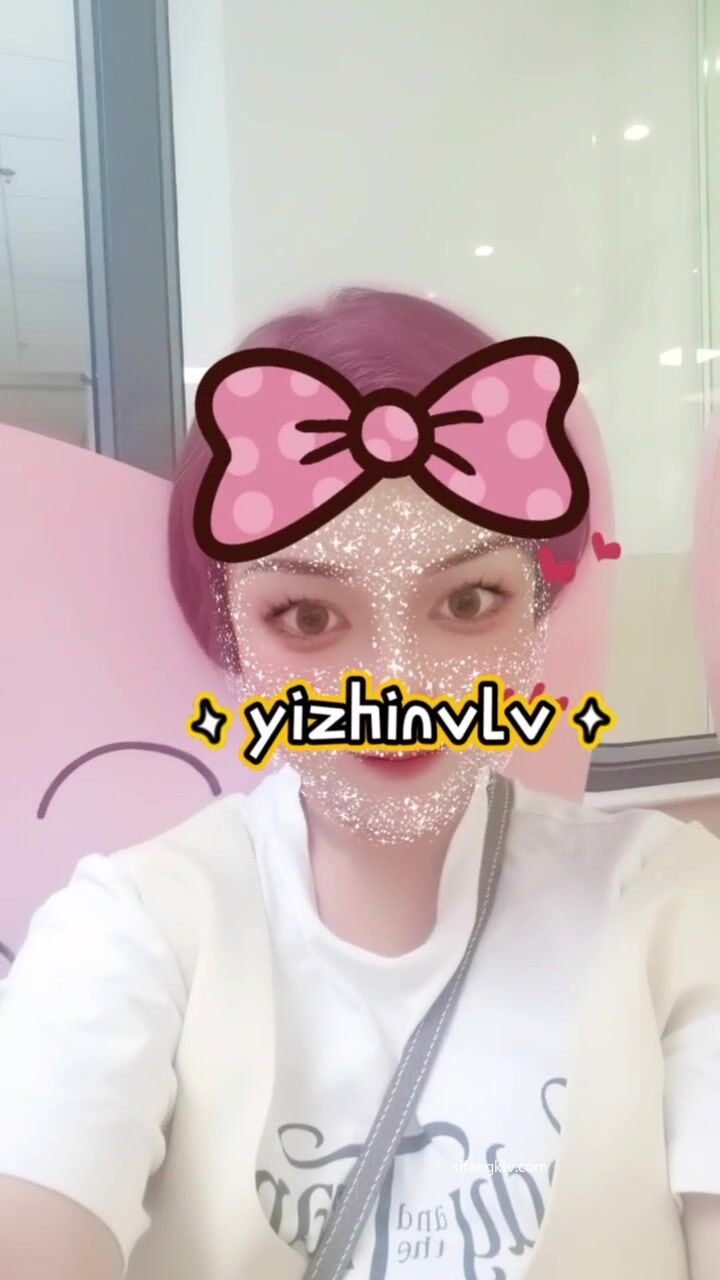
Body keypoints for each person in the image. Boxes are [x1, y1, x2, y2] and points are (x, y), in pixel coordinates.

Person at [0, 288, 719, 1280]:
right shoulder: (132, 929)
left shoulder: (672, 901)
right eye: (308, 617)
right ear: (229, 634)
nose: (395, 684)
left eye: (468, 600)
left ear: (538, 612)